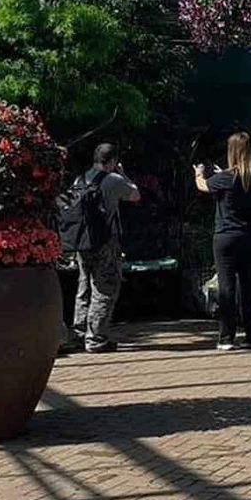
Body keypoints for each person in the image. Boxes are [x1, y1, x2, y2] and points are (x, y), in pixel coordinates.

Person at [194, 131, 251, 351]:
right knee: (249, 284)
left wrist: (199, 173)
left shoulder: (224, 178)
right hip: (249, 235)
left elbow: (203, 186)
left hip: (226, 235)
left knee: (227, 287)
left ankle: (227, 338)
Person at [68, 143, 141, 354]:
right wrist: (124, 174)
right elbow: (135, 195)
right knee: (105, 288)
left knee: (84, 286)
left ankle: (79, 334)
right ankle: (96, 338)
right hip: (105, 242)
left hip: (82, 242)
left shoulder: (79, 180)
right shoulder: (113, 179)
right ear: (111, 161)